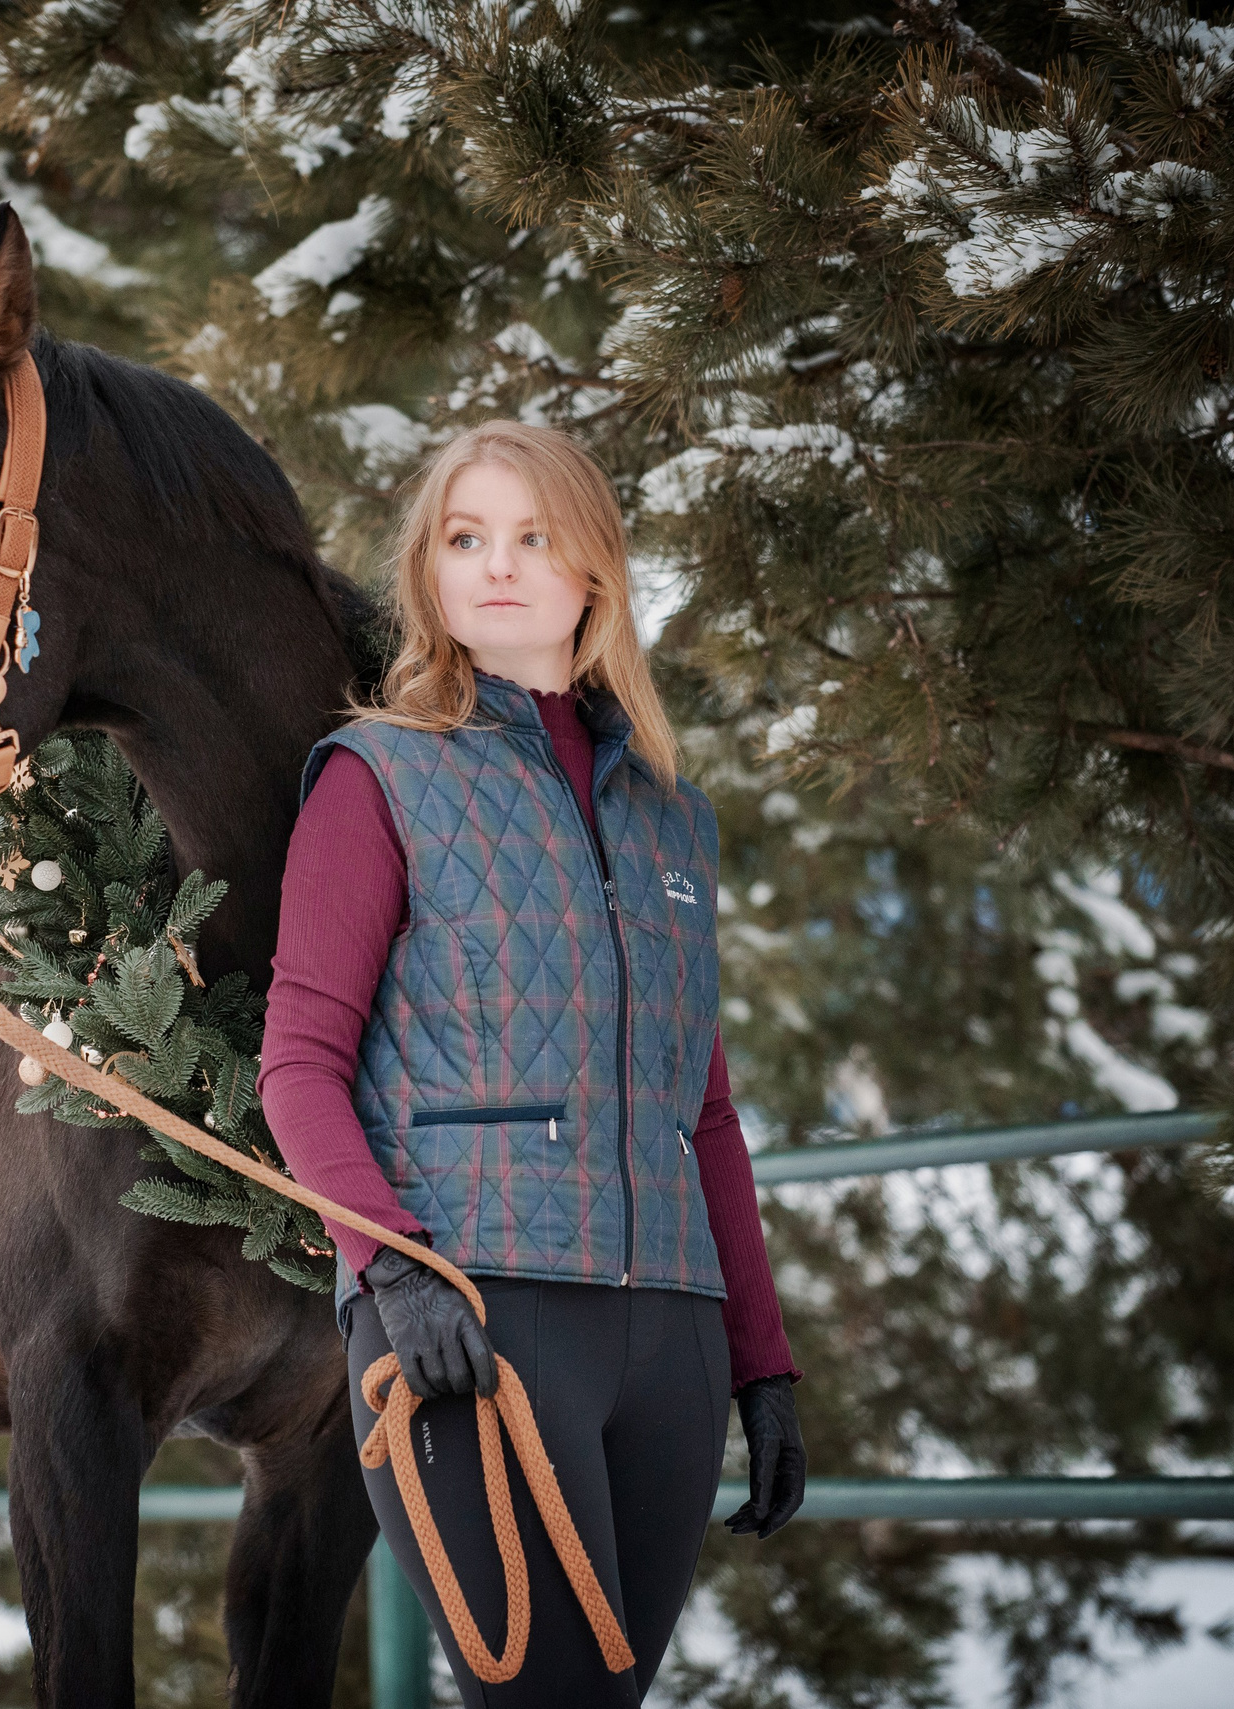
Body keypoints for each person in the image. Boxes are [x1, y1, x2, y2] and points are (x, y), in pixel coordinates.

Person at [259, 421, 806, 1705]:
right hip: (472, 1322)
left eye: (531, 536)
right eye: (464, 538)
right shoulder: (376, 775)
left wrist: (761, 1362)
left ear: (594, 570)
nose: (495, 566)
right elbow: (298, 1064)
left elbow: (704, 1111)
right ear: (428, 572)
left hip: (667, 1335)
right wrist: (393, 1272)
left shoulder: (674, 815)